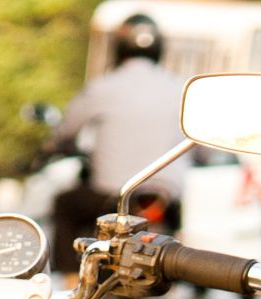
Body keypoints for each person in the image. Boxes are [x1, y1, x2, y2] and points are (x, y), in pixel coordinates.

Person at [47, 13, 186, 272]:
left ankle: (70, 286)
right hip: (166, 197)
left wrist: (52, 146)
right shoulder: (181, 88)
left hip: (111, 197)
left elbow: (67, 129)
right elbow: (198, 145)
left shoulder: (103, 86)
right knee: (181, 230)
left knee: (64, 204)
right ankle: (179, 291)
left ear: (119, 49)